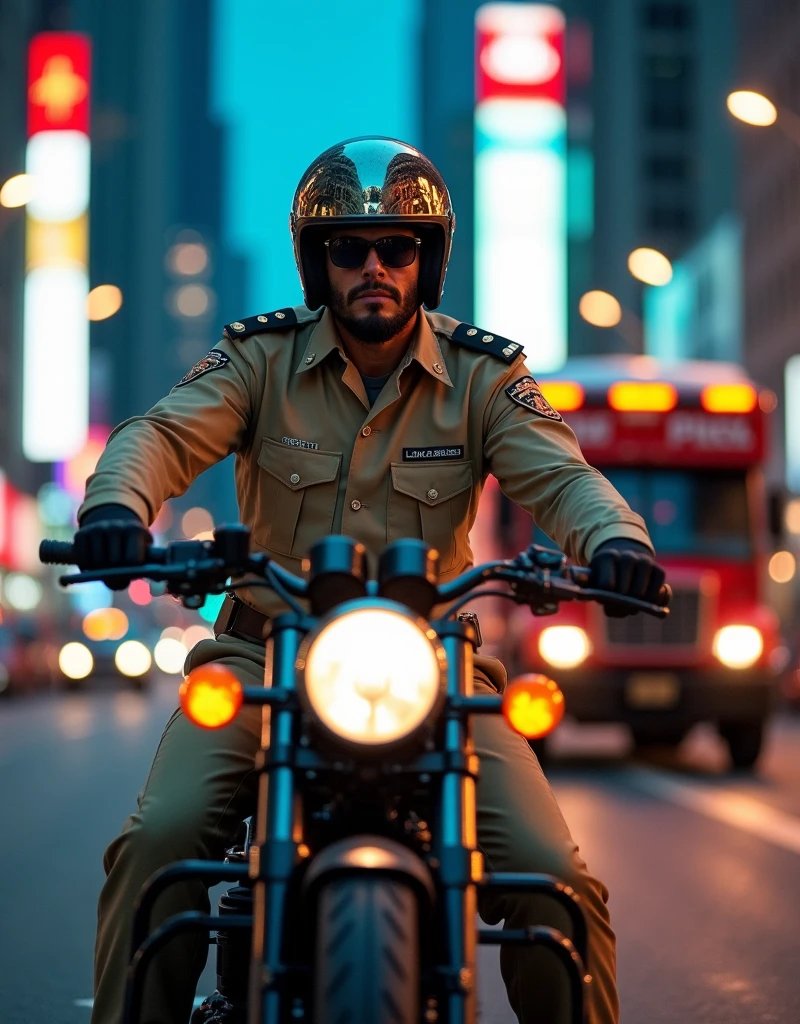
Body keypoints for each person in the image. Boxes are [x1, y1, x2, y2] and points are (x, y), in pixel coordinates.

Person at [75, 137, 665, 1024]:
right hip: (261, 662)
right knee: (158, 842)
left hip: (438, 668)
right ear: (319, 263)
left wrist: (619, 542)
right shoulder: (256, 361)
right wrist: (116, 512)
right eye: (348, 248)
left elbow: (565, 479)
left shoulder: (484, 376)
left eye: (397, 246)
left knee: (554, 879)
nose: (374, 266)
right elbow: (159, 434)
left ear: (428, 261)